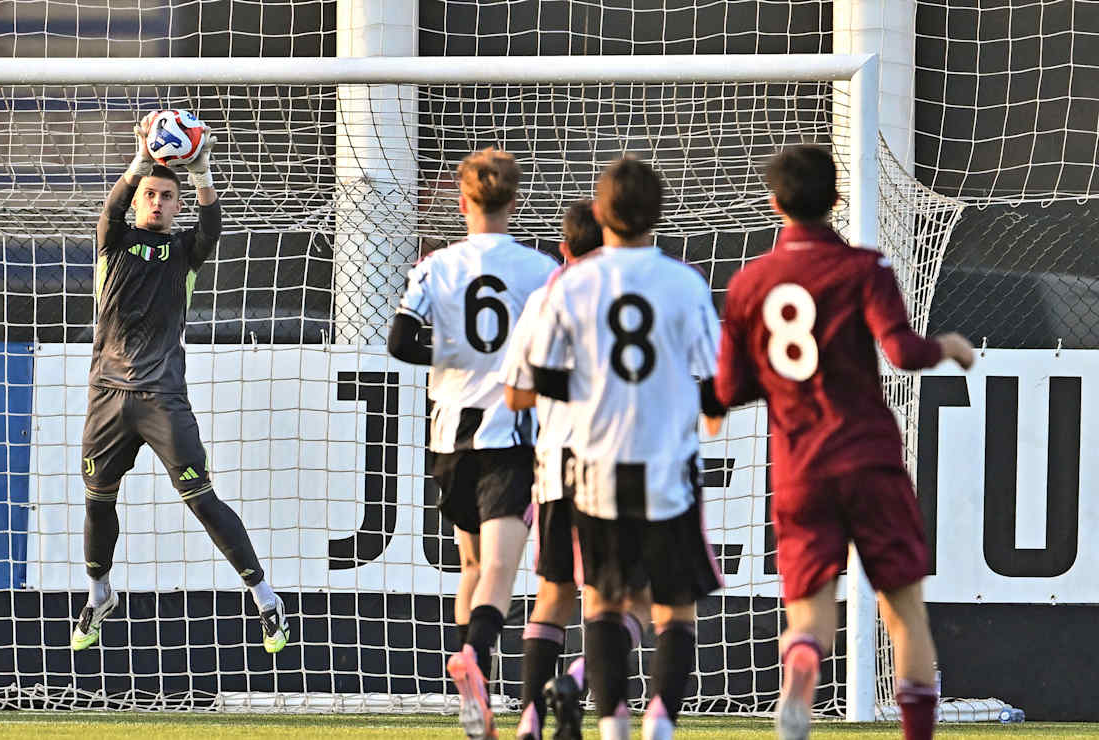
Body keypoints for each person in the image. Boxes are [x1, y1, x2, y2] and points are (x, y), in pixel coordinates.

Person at [714, 144, 975, 740]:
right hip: (867, 458)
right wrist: (949, 347)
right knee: (903, 611)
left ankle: (803, 661)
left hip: (799, 467)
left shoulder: (750, 282)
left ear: (774, 202)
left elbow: (728, 388)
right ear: (835, 198)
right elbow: (902, 352)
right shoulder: (864, 267)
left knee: (808, 615)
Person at [73, 116, 290, 655]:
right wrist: (140, 159)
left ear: (177, 206)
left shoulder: (185, 252)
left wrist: (201, 171)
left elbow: (211, 224)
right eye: (150, 194)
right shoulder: (114, 242)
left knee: (202, 499)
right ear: (138, 199)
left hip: (162, 399)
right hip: (107, 397)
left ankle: (266, 599)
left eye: (167, 197)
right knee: (98, 502)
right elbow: (109, 210)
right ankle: (99, 594)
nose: (157, 202)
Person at [529, 157, 725, 740]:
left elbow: (538, 374)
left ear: (601, 213)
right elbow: (715, 380)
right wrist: (702, 406)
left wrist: (592, 393)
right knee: (674, 606)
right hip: (668, 467)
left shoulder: (572, 284)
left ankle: (612, 722)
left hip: (596, 467)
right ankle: (660, 719)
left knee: (603, 601)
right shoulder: (684, 283)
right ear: (658, 215)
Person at [388, 148, 557, 740]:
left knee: (472, 565)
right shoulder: (541, 270)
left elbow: (400, 342)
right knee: (502, 571)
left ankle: (470, 701)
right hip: (509, 438)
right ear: (514, 202)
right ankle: (474, 658)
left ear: (462, 203)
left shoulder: (435, 266)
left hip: (449, 438)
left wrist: (456, 353)